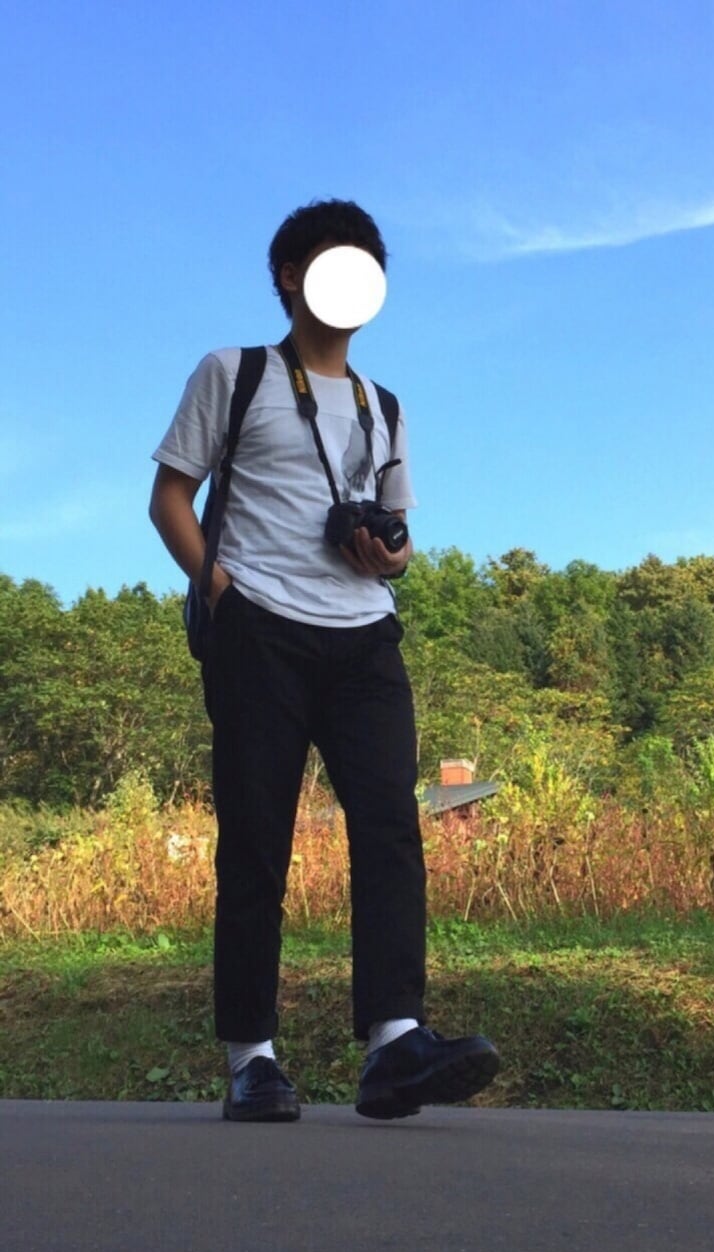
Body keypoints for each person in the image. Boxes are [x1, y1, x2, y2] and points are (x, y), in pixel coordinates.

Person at [149, 198, 499, 1122]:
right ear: (290, 276)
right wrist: (218, 589)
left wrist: (387, 553)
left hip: (365, 636)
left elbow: (402, 540)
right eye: (334, 262)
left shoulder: (385, 407)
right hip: (258, 629)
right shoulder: (235, 373)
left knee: (390, 828)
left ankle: (395, 1043)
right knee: (255, 843)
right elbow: (170, 497)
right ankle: (251, 1060)